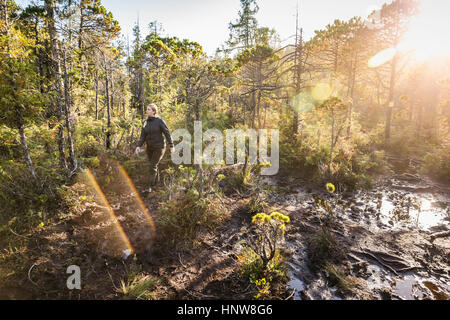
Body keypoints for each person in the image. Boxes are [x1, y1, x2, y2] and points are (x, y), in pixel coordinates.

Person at [135, 104, 175, 192]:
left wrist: (171, 145)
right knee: (153, 166)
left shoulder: (159, 121)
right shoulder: (145, 122)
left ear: (154, 111)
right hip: (149, 147)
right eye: (147, 109)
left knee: (152, 165)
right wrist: (138, 146)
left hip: (159, 147)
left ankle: (149, 186)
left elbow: (167, 133)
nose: (147, 111)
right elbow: (142, 136)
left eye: (149, 109)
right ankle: (156, 184)